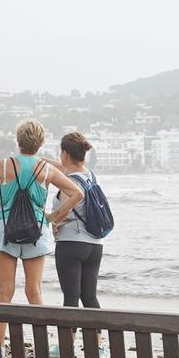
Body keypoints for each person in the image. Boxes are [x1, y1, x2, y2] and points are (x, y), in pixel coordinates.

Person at [0, 120, 83, 310]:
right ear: (41, 143)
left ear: (18, 141)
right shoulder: (47, 169)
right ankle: (40, 340)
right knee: (34, 291)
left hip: (5, 228)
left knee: (5, 292)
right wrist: (53, 217)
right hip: (36, 229)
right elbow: (78, 193)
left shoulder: (4, 165)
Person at [51, 131, 104, 309]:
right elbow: (62, 168)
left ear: (65, 153)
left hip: (71, 244)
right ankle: (97, 337)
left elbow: (63, 211)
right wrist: (41, 162)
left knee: (71, 299)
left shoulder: (69, 181)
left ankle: (68, 338)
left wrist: (53, 221)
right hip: (94, 245)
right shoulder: (90, 175)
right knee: (90, 298)